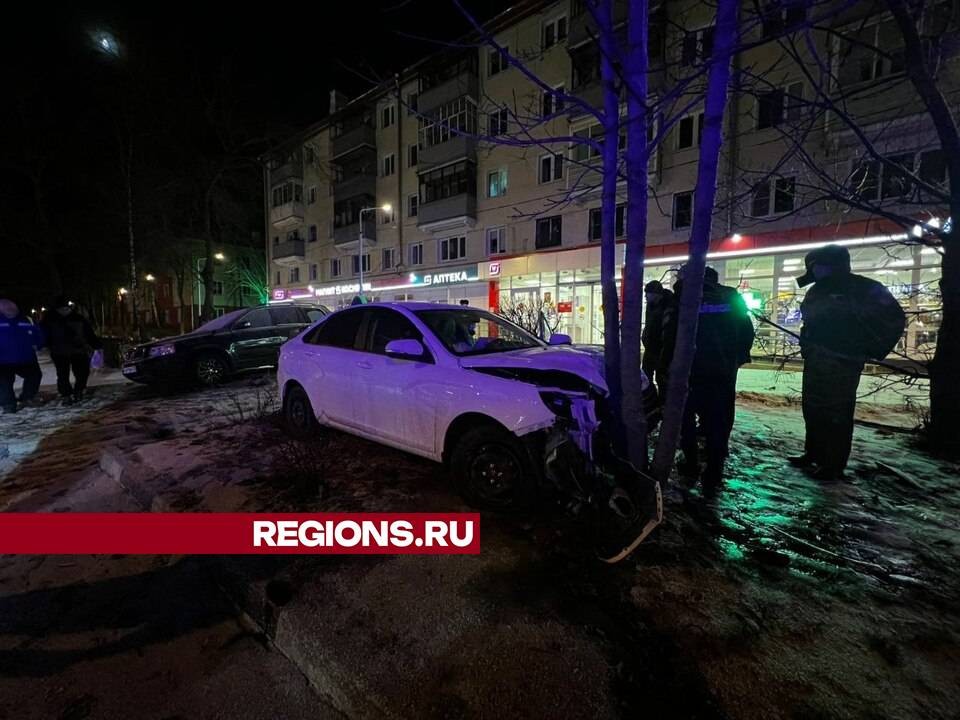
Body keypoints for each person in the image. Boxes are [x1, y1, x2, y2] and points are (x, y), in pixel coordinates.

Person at [789, 245, 905, 481]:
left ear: (832, 265)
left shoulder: (863, 288)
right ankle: (813, 454)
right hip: (817, 358)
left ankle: (833, 464)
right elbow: (810, 323)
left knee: (837, 413)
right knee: (813, 408)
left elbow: (894, 319)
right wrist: (807, 346)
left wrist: (870, 350)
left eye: (817, 266)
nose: (814, 271)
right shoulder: (817, 290)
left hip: (843, 361)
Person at [663, 265, 755, 491]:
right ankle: (715, 468)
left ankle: (691, 462)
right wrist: (736, 359)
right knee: (718, 420)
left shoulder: (684, 297)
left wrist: (667, 368)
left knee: (686, 419)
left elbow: (671, 336)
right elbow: (746, 330)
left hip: (690, 371)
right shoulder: (730, 296)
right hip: (722, 370)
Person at [41, 296, 102, 404]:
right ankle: (66, 395)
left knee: (82, 372)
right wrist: (46, 344)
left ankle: (78, 390)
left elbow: (88, 333)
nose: (65, 310)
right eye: (62, 308)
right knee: (63, 374)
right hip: (59, 351)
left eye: (66, 308)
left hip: (78, 349)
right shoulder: (49, 320)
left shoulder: (78, 318)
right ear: (56, 309)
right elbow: (43, 334)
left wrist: (96, 344)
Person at [0, 299, 45, 414]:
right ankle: (9, 405)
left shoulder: (25, 320)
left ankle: (26, 397)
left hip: (25, 358)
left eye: (12, 307)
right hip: (3, 360)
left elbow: (37, 333)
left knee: (34, 375)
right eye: (7, 308)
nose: (11, 310)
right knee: (5, 383)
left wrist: (39, 344)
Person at [641, 280, 675, 399]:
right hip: (650, 348)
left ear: (655, 294)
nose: (645, 296)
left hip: (662, 351)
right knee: (646, 378)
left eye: (647, 294)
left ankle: (661, 405)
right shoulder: (651, 306)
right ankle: (651, 402)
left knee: (662, 380)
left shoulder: (669, 306)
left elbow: (667, 331)